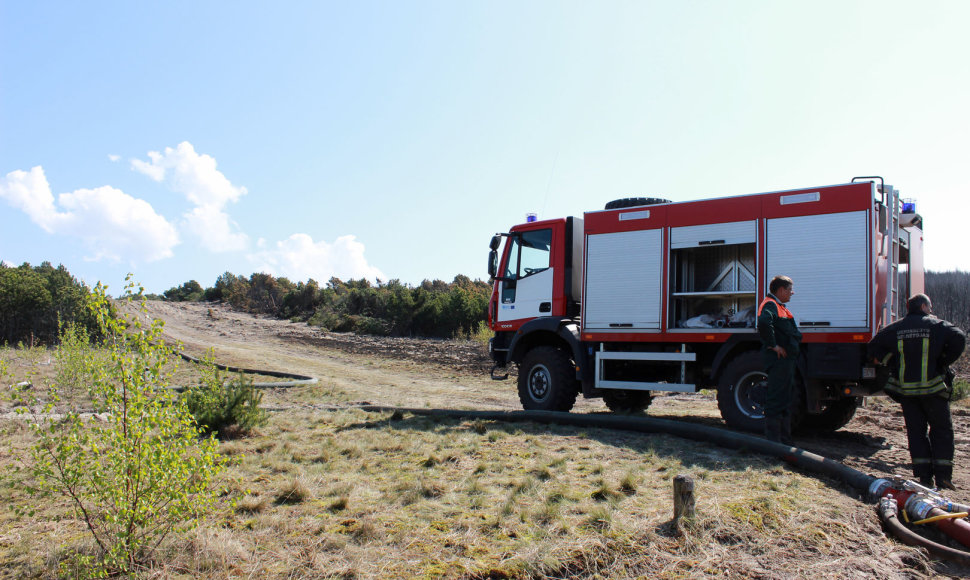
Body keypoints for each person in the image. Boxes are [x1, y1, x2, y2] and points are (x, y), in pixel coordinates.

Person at [867, 293, 966, 490]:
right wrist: (943, 361)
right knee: (942, 431)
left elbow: (873, 350)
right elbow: (959, 338)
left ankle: (923, 477)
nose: (931, 310)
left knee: (916, 433)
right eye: (929, 307)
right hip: (934, 390)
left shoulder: (896, 328)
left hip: (908, 392)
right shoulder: (938, 326)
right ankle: (944, 477)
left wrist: (890, 361)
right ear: (923, 307)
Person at [757, 275, 802, 444]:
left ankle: (784, 440)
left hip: (786, 361)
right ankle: (774, 443)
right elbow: (763, 322)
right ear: (781, 290)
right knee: (776, 399)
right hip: (778, 361)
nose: (792, 292)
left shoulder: (781, 307)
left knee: (785, 398)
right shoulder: (770, 304)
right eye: (790, 289)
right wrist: (773, 345)